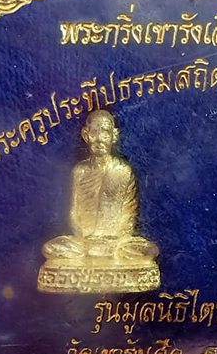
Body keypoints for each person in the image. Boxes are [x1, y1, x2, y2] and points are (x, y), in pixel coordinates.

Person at [42, 110, 158, 264]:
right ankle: (93, 254)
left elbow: (129, 215)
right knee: (49, 248)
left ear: (114, 136)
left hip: (116, 243)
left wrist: (113, 239)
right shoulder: (80, 171)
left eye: (105, 133)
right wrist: (85, 238)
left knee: (149, 250)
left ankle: (102, 254)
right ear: (85, 135)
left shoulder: (123, 171)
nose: (99, 139)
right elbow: (74, 212)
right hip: (84, 243)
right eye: (94, 133)